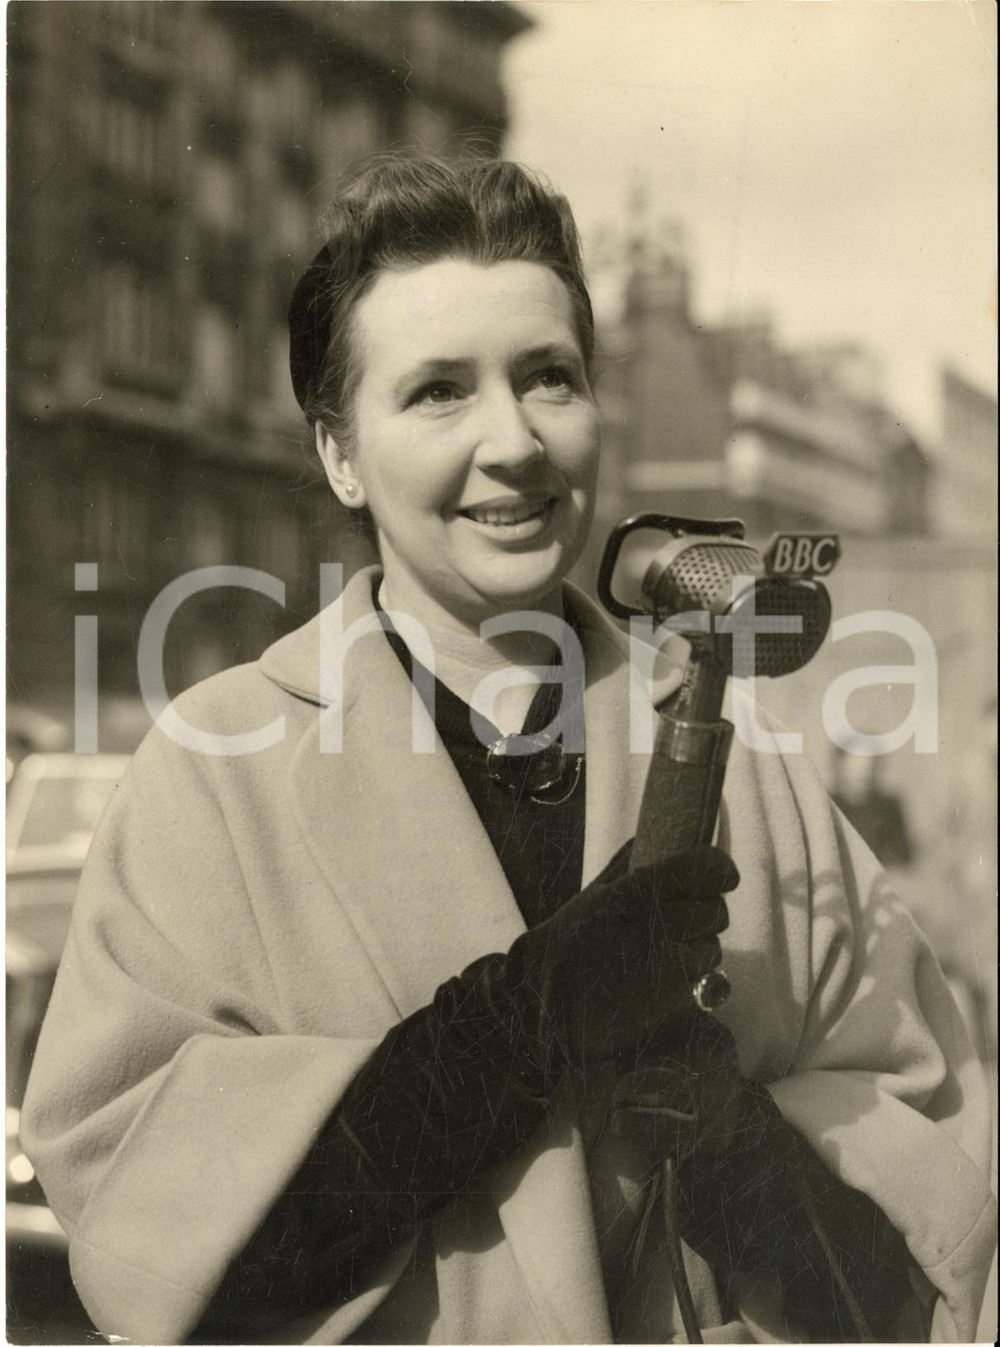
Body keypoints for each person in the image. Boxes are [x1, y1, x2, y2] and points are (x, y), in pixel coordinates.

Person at [21, 155, 995, 1345]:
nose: (515, 442)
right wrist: (523, 1022)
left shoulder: (756, 779)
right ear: (338, 453)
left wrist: (734, 1142)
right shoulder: (216, 773)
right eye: (437, 392)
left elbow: (924, 1275)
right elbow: (153, 1256)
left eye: (549, 379)